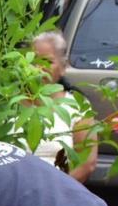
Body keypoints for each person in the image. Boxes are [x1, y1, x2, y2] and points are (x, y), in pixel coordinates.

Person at [26, 31, 98, 184]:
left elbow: (86, 163)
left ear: (63, 67)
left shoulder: (77, 106)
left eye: (47, 61)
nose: (39, 68)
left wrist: (56, 190)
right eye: (34, 61)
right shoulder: (8, 102)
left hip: (56, 193)